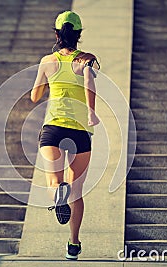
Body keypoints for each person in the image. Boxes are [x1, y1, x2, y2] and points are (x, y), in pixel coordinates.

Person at [30, 10, 100, 260]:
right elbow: (91, 82)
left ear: (57, 34)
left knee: (53, 181)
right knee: (77, 192)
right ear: (79, 35)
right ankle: (74, 243)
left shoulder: (47, 61)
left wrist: (48, 79)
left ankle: (58, 192)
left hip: (53, 128)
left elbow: (35, 97)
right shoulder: (88, 59)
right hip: (80, 130)